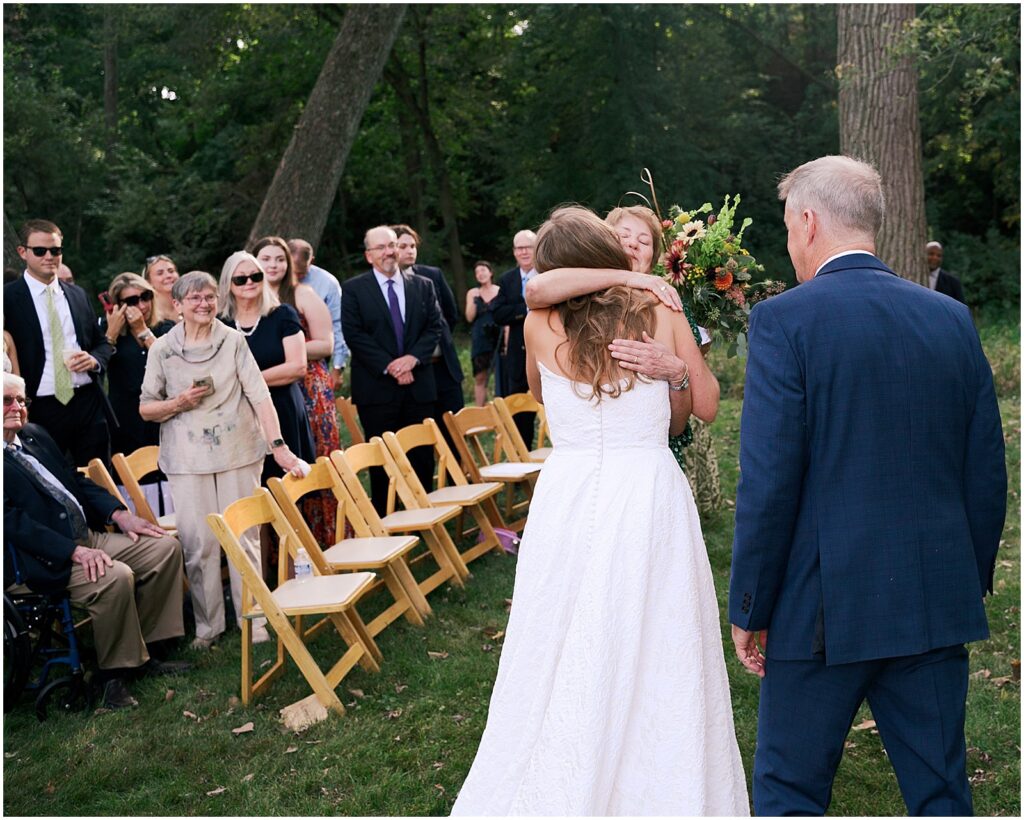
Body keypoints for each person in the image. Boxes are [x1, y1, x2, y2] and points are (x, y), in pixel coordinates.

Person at [729, 156, 1006, 816]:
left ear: (809, 221)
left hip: (819, 606)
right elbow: (985, 471)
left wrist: (751, 605)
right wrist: (964, 577)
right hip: (933, 596)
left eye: (789, 229)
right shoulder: (949, 319)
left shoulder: (783, 321)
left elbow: (769, 481)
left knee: (790, 792)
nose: (791, 244)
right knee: (941, 792)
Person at [451, 206, 745, 816]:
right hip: (628, 489)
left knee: (601, 628)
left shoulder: (546, 325)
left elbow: (698, 405)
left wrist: (674, 375)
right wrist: (646, 306)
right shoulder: (653, 307)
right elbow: (695, 413)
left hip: (589, 488)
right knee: (619, 629)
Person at [140, 271, 305, 650]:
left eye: (210, 297)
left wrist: (278, 446)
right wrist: (178, 402)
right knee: (199, 545)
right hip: (186, 458)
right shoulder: (161, 350)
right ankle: (207, 627)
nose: (204, 304)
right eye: (195, 298)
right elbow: (146, 408)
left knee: (244, 538)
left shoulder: (232, 341)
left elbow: (260, 396)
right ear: (178, 306)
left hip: (237, 453)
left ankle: (256, 621)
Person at [4, 372, 189, 710]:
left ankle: (149, 651)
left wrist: (119, 514)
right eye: (7, 401)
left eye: (21, 400)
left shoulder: (34, 435)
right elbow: (13, 524)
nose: (16, 407)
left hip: (85, 537)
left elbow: (74, 482)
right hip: (39, 561)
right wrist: (72, 551)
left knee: (164, 549)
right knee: (114, 577)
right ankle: (112, 677)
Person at [341, 225, 443, 514]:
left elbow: (434, 327)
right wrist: (390, 366)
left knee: (421, 456)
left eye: (393, 245)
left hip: (418, 385)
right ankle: (387, 518)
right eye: (381, 248)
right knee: (381, 459)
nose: (389, 252)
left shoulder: (423, 285)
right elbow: (355, 335)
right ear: (368, 255)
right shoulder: (353, 290)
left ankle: (424, 516)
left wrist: (412, 359)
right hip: (377, 389)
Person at [4, 219, 114, 466]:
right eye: (40, 251)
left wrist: (94, 360)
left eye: (56, 250)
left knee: (99, 479)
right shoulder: (8, 298)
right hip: (40, 406)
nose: (49, 257)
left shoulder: (77, 294)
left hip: (87, 401)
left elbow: (102, 343)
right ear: (23, 252)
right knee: (51, 483)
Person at [254, 236, 337, 545]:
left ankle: (321, 540)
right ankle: (277, 549)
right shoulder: (249, 298)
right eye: (266, 259)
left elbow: (326, 343)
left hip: (308, 389)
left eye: (279, 259)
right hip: (267, 394)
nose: (272, 265)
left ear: (288, 264)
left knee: (309, 460)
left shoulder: (302, 293)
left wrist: (287, 348)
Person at [219, 249, 316, 483]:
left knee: (290, 490)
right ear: (228, 284)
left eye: (256, 276)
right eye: (241, 279)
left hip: (283, 410)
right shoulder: (221, 324)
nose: (249, 282)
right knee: (252, 489)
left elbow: (297, 367)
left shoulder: (282, 315)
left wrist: (248, 381)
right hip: (241, 416)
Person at [101, 272, 176, 516]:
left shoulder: (165, 327)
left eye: (145, 297)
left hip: (162, 416)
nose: (141, 305)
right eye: (132, 301)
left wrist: (142, 331)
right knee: (132, 479)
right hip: (125, 419)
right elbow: (97, 370)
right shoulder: (108, 331)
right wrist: (111, 333)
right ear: (118, 305)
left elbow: (172, 363)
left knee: (165, 475)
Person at [393, 224, 466, 431]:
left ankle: (457, 464)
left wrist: (435, 340)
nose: (410, 251)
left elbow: (450, 315)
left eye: (413, 246)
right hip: (414, 372)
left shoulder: (432, 275)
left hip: (444, 367)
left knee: (454, 432)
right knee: (422, 433)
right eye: (403, 246)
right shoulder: (386, 289)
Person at [492, 229, 538, 446]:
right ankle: (524, 458)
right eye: (519, 248)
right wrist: (529, 305)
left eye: (528, 247)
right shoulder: (508, 279)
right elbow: (498, 313)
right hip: (517, 356)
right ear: (514, 252)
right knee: (520, 411)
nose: (523, 252)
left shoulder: (549, 274)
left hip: (544, 351)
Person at [288, 238, 350, 389]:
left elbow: (338, 324)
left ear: (312, 261)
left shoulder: (327, 283)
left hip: (314, 361)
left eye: (301, 273)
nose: (296, 277)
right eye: (293, 272)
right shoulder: (268, 279)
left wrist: (337, 368)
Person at [464, 260, 501, 406]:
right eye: (477, 272)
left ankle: (501, 411)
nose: (480, 274)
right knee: (480, 377)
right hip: (480, 339)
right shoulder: (473, 293)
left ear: (490, 272)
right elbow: (469, 317)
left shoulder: (500, 290)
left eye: (483, 270)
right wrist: (474, 299)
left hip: (498, 338)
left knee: (500, 376)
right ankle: (480, 411)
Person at [925, 240, 967, 305]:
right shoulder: (911, 277)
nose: (935, 258)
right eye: (931, 254)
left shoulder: (953, 282)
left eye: (939, 255)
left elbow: (961, 308)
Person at [143, 254, 181, 324]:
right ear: (148, 282)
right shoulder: (147, 314)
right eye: (160, 273)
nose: (168, 276)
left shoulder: (189, 306)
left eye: (171, 271)